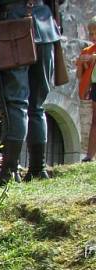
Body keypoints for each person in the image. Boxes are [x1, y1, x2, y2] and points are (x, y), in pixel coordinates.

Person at [0, 0, 64, 184]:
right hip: (45, 29)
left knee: (15, 104)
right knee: (37, 105)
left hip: (11, 31)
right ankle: (37, 168)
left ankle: (9, 172)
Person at [76, 17, 96, 162]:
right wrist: (82, 64)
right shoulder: (88, 51)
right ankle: (89, 155)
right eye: (91, 33)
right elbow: (79, 76)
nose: (93, 37)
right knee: (95, 120)